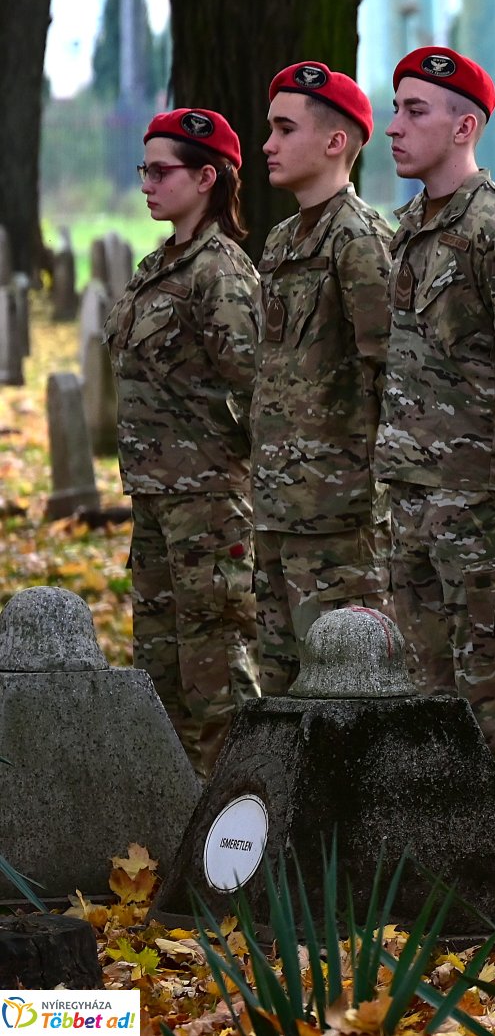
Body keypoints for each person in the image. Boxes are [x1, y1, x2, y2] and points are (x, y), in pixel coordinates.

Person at [377, 46, 495, 756]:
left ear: (465, 128)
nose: (393, 127)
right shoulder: (409, 227)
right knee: (421, 692)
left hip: (476, 505)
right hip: (408, 497)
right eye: (394, 109)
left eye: (414, 111)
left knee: (486, 694)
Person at [108, 108, 262, 773]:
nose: (148, 182)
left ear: (206, 177)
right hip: (156, 495)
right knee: (162, 670)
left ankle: (238, 823)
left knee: (218, 675)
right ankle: (180, 825)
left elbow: (256, 381)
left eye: (161, 170)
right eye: (144, 169)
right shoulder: (158, 264)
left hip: (208, 502)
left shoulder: (219, 271)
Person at [254, 61, 392, 692]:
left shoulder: (359, 239)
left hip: (338, 518)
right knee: (281, 690)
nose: (268, 145)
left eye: (285, 129)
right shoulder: (282, 240)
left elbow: (384, 374)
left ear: (336, 142)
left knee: (340, 691)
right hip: (278, 506)